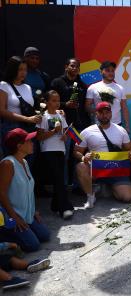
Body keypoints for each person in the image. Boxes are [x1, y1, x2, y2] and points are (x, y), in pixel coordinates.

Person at [74, 102, 131, 208]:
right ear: (96, 114)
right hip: (95, 170)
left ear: (111, 114)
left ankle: (109, 188)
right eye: (101, 112)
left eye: (107, 112)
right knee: (80, 166)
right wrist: (83, 157)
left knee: (127, 197)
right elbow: (76, 151)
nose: (104, 115)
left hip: (116, 170)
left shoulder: (121, 130)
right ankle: (90, 196)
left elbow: (129, 149)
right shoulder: (86, 131)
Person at [0, 129, 51, 252]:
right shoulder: (7, 164)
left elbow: (28, 189)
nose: (32, 143)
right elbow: (1, 193)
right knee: (33, 245)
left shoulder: (24, 161)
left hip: (27, 214)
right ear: (19, 146)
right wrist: (14, 217)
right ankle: (4, 236)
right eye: (29, 141)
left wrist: (34, 210)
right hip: (13, 216)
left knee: (45, 235)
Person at [51, 58, 91, 187]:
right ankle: (62, 186)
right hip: (64, 128)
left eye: (77, 67)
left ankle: (77, 185)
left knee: (78, 155)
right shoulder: (57, 82)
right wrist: (65, 104)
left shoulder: (82, 85)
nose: (75, 68)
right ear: (66, 66)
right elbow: (49, 102)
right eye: (72, 66)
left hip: (79, 127)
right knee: (65, 156)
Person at [36, 90, 74, 220]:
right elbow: (39, 136)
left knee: (59, 178)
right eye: (53, 100)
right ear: (46, 102)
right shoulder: (43, 116)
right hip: (48, 150)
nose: (57, 103)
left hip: (60, 149)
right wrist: (53, 131)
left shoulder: (60, 114)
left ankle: (55, 205)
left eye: (58, 100)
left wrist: (65, 135)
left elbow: (64, 131)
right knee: (58, 178)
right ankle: (65, 208)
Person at [0, 56, 42, 146]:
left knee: (28, 158)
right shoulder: (4, 85)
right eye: (20, 69)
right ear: (13, 70)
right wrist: (27, 119)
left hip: (28, 129)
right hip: (12, 129)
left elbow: (30, 109)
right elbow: (1, 111)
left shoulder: (28, 87)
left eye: (25, 70)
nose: (23, 72)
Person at [85, 61, 130, 133]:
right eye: (107, 70)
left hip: (117, 125)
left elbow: (124, 108)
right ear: (101, 72)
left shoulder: (120, 88)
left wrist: (127, 126)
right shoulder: (92, 87)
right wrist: (99, 112)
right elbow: (87, 107)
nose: (111, 73)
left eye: (112, 71)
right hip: (98, 126)